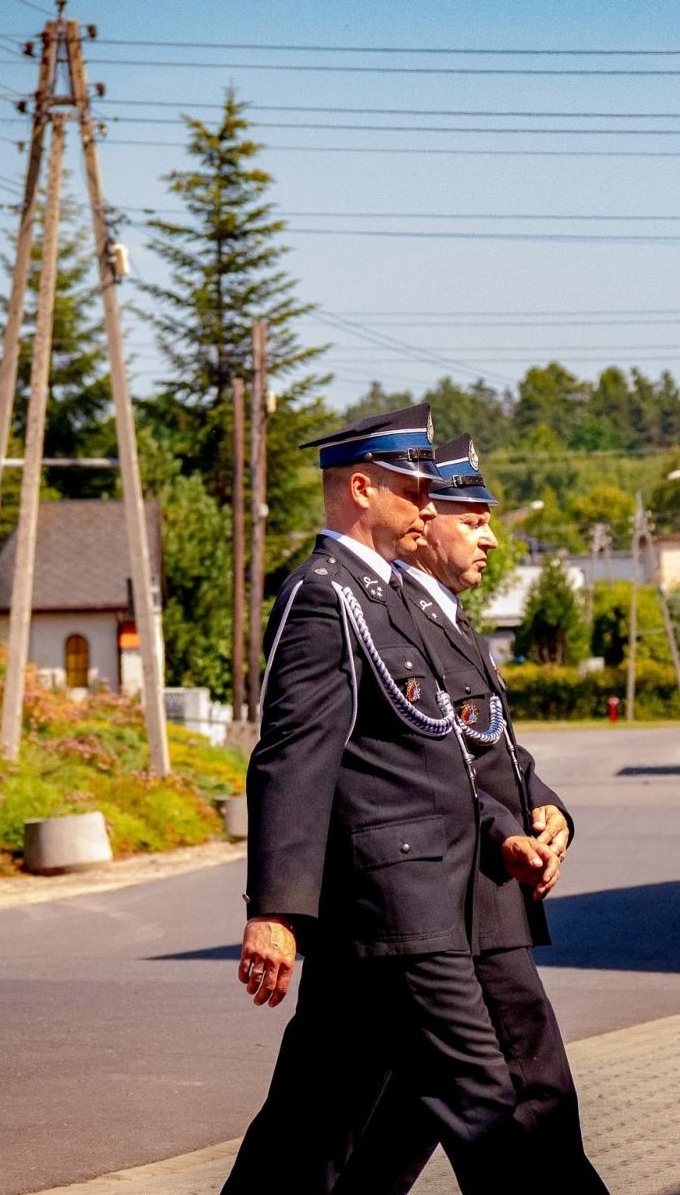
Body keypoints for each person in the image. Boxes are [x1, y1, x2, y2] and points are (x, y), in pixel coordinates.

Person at [223, 405, 562, 1195]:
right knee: (486, 1106)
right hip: (396, 898)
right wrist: (275, 909)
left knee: (312, 1129)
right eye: (413, 490)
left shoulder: (391, 600)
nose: (425, 507)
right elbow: (292, 758)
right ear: (363, 489)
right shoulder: (322, 594)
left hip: (417, 899)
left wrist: (500, 828)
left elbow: (434, 758)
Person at [344, 435, 606, 1193]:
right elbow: (430, 772)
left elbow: (494, 753)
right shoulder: (401, 621)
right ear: (425, 526)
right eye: (473, 517)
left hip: (466, 899)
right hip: (457, 899)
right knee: (532, 1101)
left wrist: (548, 807)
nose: (490, 535)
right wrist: (506, 831)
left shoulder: (448, 618)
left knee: (390, 1117)